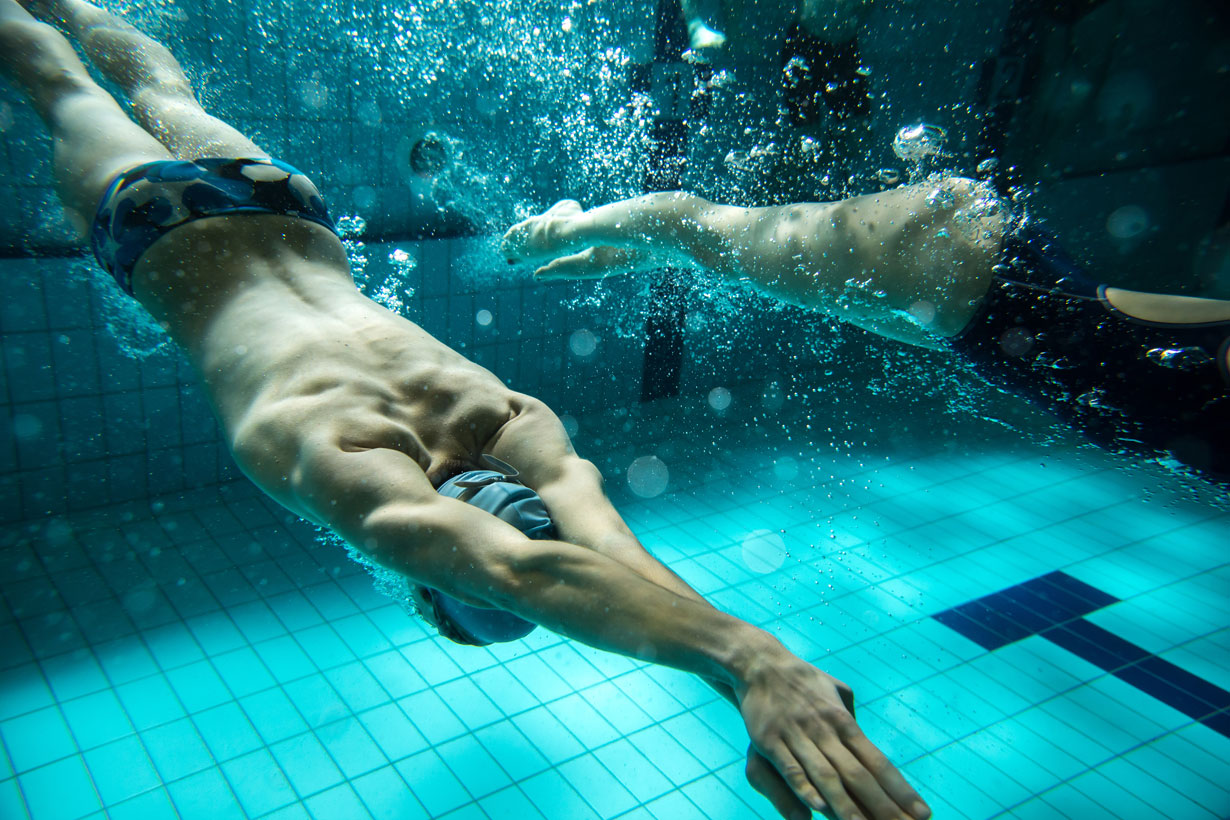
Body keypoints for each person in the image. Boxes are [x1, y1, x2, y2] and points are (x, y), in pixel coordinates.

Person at [0, 2, 933, 819]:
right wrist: (745, 665)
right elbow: (522, 571)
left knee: (154, 82)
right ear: (434, 572)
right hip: (157, 230)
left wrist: (754, 662)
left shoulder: (511, 417)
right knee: (58, 83)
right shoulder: (342, 459)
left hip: (290, 211)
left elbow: (595, 546)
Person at [502, 181, 1230, 481]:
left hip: (976, 317)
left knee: (736, 255)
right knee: (712, 231)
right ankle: (570, 227)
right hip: (972, 261)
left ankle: (628, 245)